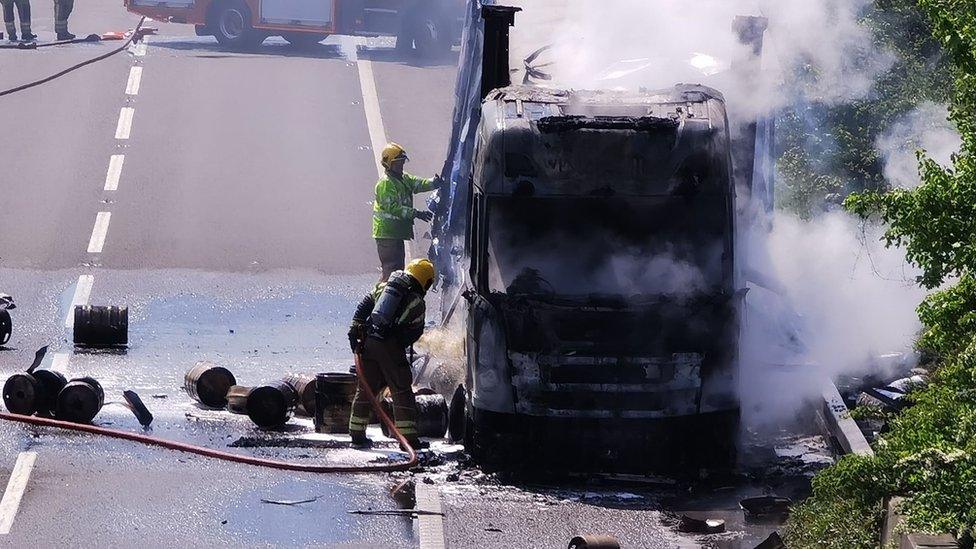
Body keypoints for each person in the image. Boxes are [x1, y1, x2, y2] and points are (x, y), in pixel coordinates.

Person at [347, 258, 435, 449]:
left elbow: (364, 305)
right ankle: (408, 439)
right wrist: (394, 353)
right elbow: (414, 332)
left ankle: (356, 433)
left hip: (368, 341)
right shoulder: (417, 302)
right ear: (426, 281)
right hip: (389, 345)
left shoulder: (384, 287)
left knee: (366, 387)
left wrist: (355, 330)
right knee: (401, 388)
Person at [373, 142, 442, 282]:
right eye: (398, 163)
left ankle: (392, 300)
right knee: (390, 271)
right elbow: (393, 208)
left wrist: (434, 182)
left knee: (397, 271)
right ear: (389, 164)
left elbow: (419, 184)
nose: (401, 165)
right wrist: (416, 213)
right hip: (387, 235)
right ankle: (381, 300)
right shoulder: (385, 184)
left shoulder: (403, 179)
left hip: (396, 234)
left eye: (402, 162)